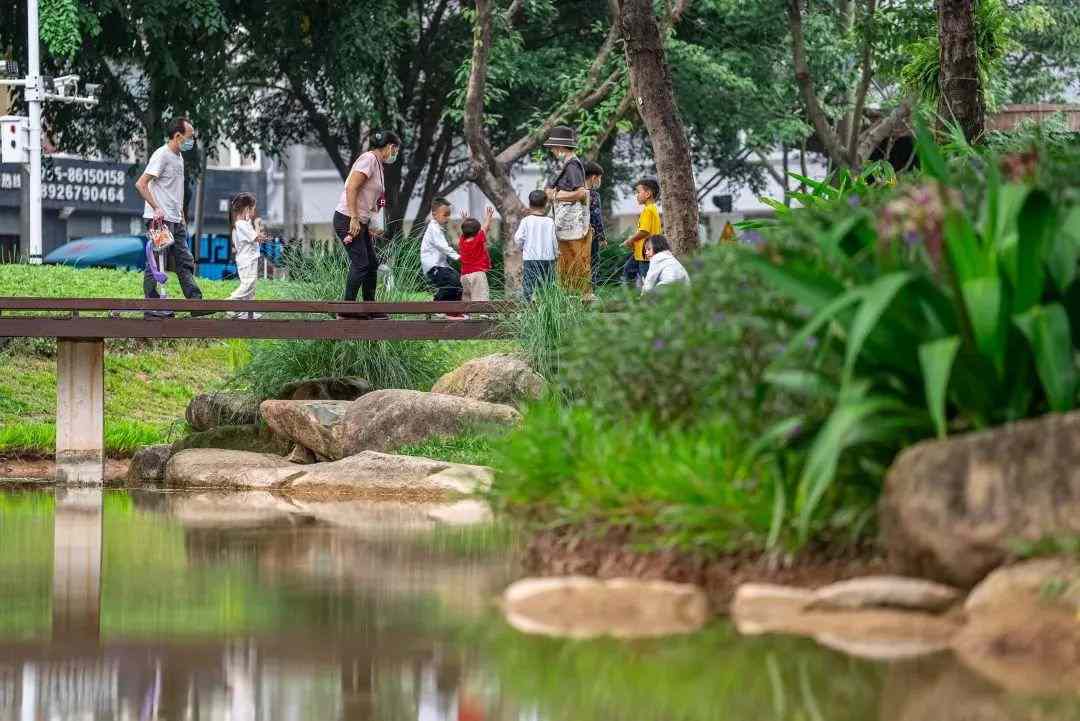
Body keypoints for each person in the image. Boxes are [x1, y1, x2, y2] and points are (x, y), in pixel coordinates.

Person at [134, 116, 205, 317]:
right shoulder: (162, 155)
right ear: (177, 136)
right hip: (159, 221)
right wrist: (156, 208)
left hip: (175, 219)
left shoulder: (179, 157)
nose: (192, 141)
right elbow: (141, 184)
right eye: (190, 137)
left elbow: (175, 190)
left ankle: (196, 304)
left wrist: (181, 213)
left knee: (185, 260)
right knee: (156, 261)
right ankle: (152, 307)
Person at [332, 129, 401, 319]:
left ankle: (370, 308)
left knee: (372, 264)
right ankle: (346, 310)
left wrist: (367, 223)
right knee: (361, 264)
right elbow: (352, 187)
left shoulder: (378, 165)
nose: (395, 153)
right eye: (395, 149)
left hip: (359, 221)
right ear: (390, 146)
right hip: (347, 217)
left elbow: (371, 198)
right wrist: (354, 218)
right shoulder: (369, 159)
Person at [543, 126, 591, 295]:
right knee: (567, 262)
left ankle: (577, 296)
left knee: (572, 262)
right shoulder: (569, 164)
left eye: (554, 147)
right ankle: (572, 296)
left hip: (571, 226)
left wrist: (555, 195)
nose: (553, 151)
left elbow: (580, 192)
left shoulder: (572, 165)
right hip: (567, 225)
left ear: (560, 147)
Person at [420, 197, 465, 318]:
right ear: (434, 215)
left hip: (441, 266)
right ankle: (435, 306)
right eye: (445, 215)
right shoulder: (433, 228)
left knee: (458, 282)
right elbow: (443, 247)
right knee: (452, 282)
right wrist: (459, 257)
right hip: (433, 267)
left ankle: (453, 311)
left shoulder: (439, 228)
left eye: (449, 215)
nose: (448, 218)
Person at [226, 192, 266, 318]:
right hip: (247, 260)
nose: (254, 212)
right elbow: (256, 238)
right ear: (246, 209)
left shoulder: (244, 223)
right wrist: (257, 224)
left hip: (249, 259)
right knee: (248, 284)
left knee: (251, 287)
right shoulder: (241, 224)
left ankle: (249, 312)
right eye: (253, 209)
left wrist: (253, 223)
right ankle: (229, 304)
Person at [515, 190, 559, 301]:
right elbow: (554, 240)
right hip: (548, 259)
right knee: (549, 286)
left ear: (529, 204)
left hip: (530, 259)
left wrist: (522, 247)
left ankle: (527, 310)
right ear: (545, 204)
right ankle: (549, 310)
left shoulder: (526, 221)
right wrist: (556, 253)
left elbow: (518, 238)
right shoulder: (550, 221)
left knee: (529, 287)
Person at [623, 178, 662, 290]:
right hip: (640, 253)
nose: (637, 195)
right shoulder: (651, 209)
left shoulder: (648, 210)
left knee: (647, 278)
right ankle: (633, 297)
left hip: (645, 254)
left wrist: (630, 240)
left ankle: (647, 299)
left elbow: (644, 231)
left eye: (638, 192)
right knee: (628, 270)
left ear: (648, 194)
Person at [459, 207, 495, 303]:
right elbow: (485, 228)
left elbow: (466, 230)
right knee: (481, 298)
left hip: (464, 276)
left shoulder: (462, 241)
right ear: (477, 232)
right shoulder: (478, 239)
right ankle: (484, 315)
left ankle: (466, 316)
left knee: (467, 300)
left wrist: (464, 221)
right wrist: (488, 217)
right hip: (478, 274)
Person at [583, 160, 606, 300]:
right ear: (593, 177)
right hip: (591, 237)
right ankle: (590, 293)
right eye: (600, 178)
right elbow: (596, 217)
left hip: (575, 235)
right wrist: (602, 237)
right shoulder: (593, 195)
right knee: (593, 263)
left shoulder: (575, 193)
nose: (600, 181)